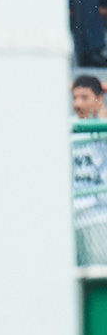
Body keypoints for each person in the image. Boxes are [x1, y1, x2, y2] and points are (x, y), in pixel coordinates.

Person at [76, 77, 107, 263]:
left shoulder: (103, 124)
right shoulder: (69, 125)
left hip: (99, 216)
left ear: (99, 99)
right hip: (72, 215)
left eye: (84, 97)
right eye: (74, 97)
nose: (77, 103)